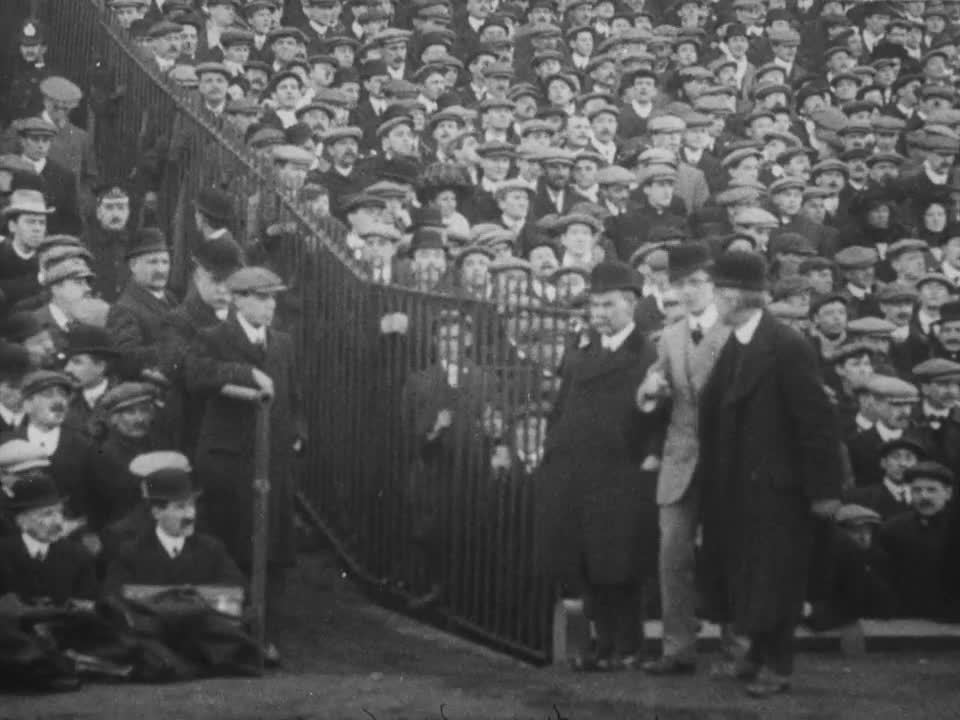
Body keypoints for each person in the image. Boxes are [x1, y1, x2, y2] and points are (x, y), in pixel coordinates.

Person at [697, 250, 843, 698]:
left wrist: (825, 491)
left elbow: (816, 422)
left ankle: (777, 665)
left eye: (718, 291)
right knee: (749, 575)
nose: (714, 299)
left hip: (779, 488)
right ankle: (757, 655)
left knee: (776, 578)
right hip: (740, 486)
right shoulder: (737, 342)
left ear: (736, 296)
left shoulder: (786, 345)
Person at [535, 260, 662, 671]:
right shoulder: (582, 352)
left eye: (608, 305)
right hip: (578, 471)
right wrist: (553, 450)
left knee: (621, 564)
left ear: (630, 304)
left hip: (622, 472)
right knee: (589, 561)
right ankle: (601, 644)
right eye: (595, 305)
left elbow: (659, 417)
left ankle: (627, 645)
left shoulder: (647, 354)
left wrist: (648, 459)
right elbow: (562, 408)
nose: (599, 314)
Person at [636, 242, 731, 675]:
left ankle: (739, 648)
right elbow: (652, 389)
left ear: (714, 285)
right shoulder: (671, 336)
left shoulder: (734, 332)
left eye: (696, 282)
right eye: (680, 283)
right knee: (672, 555)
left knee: (730, 553)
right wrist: (651, 392)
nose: (688, 291)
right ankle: (677, 648)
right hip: (679, 459)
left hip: (726, 461)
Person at [186, 267, 303, 580]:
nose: (271, 305)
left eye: (273, 298)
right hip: (230, 459)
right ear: (238, 300)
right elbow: (196, 375)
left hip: (272, 457)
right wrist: (246, 373)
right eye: (262, 298)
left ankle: (268, 602)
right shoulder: (213, 337)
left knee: (271, 548)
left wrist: (297, 433)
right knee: (230, 546)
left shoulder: (283, 343)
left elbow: (293, 395)